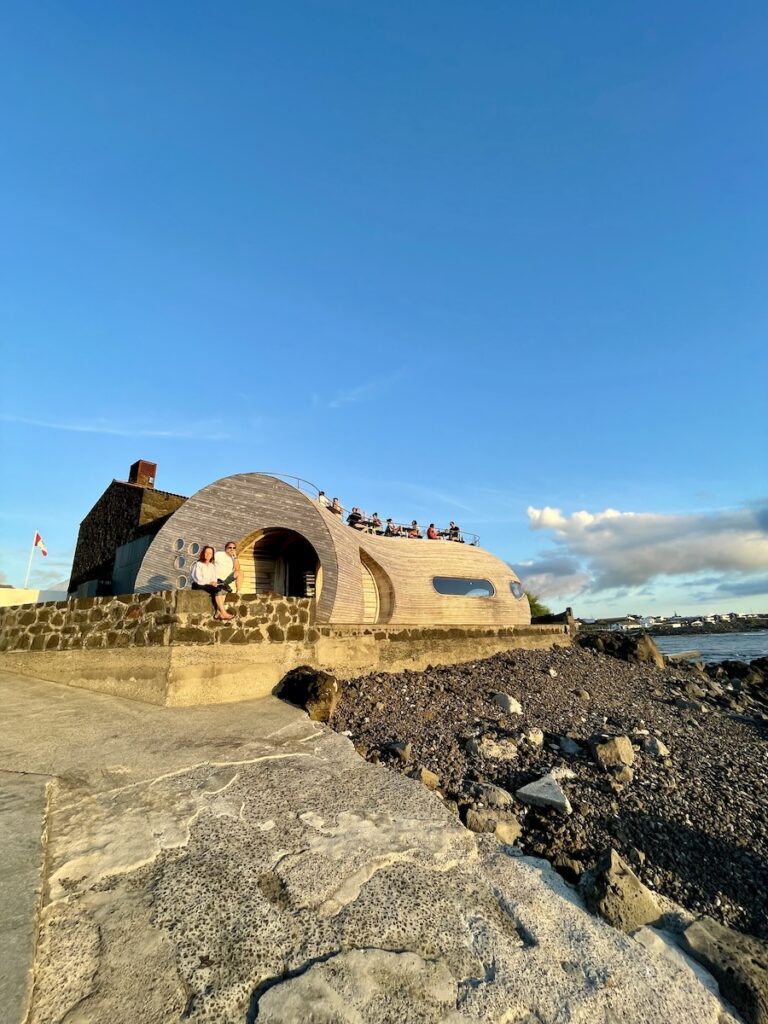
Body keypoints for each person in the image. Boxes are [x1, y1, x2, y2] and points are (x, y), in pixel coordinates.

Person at [191, 546, 234, 620]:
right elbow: (198, 578)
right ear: (203, 553)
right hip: (199, 584)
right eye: (206, 552)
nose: (208, 554)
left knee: (223, 589)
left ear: (212, 555)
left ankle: (218, 611)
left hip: (209, 584)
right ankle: (223, 612)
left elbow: (214, 577)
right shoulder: (198, 564)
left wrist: (214, 582)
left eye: (210, 553)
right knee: (217, 590)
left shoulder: (211, 566)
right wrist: (210, 582)